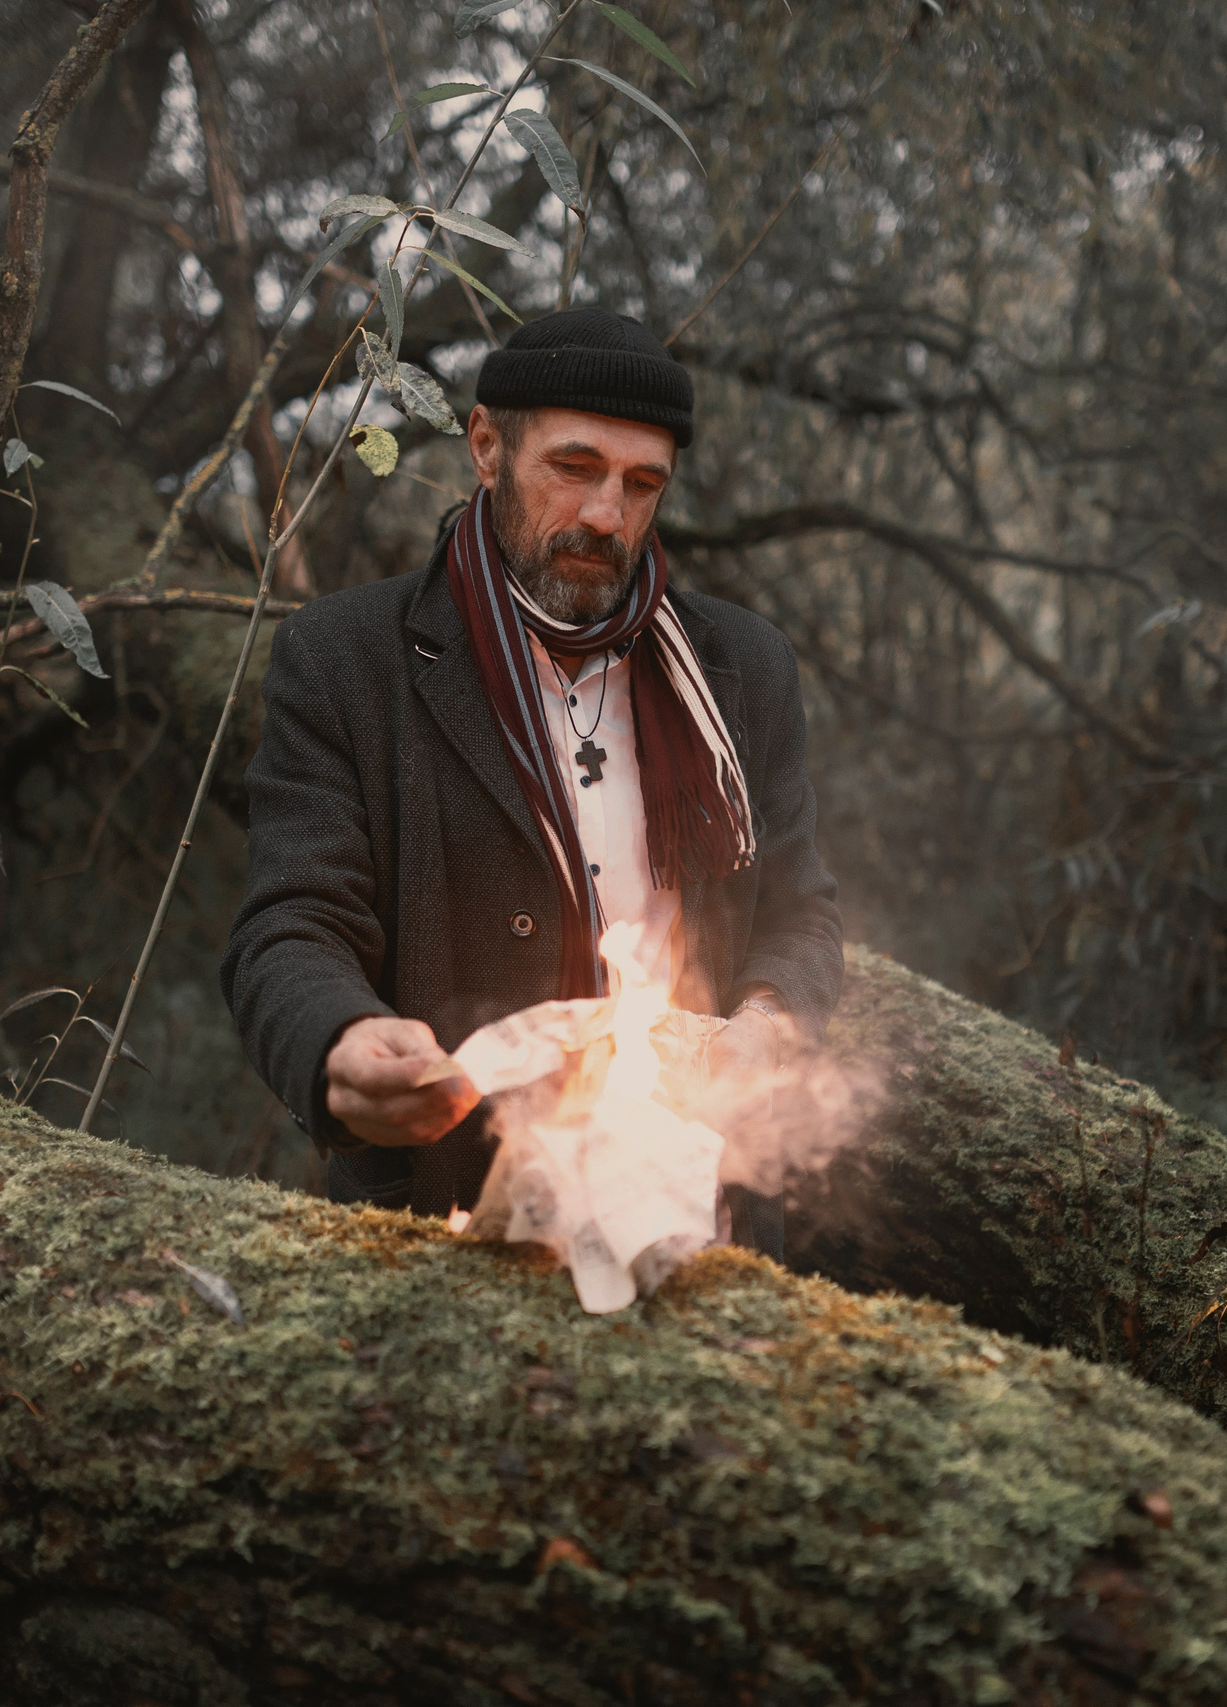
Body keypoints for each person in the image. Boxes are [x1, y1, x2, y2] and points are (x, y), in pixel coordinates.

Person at [219, 306, 843, 1256]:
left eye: (642, 484)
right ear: (485, 446)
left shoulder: (743, 669)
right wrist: (337, 1040)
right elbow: (290, 921)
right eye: (574, 467)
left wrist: (768, 1023)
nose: (606, 515)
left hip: (697, 1223)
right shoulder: (347, 659)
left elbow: (801, 914)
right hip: (446, 1229)